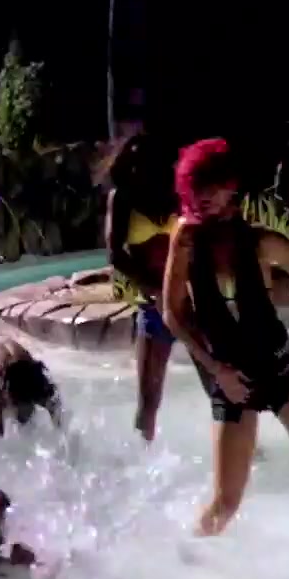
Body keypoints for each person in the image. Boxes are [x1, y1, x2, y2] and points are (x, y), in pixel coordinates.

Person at [161, 138, 289, 537]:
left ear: (230, 188)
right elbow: (172, 313)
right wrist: (216, 369)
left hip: (281, 368)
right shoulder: (185, 239)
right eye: (196, 188)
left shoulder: (262, 242)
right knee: (225, 503)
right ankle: (186, 561)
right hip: (231, 379)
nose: (203, 197)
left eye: (211, 187)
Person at [105, 130, 178, 442]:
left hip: (190, 300)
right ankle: (143, 458)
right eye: (133, 163)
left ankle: (248, 452)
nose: (139, 169)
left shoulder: (177, 190)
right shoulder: (122, 197)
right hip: (153, 302)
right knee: (148, 399)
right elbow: (115, 253)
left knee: (219, 383)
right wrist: (154, 289)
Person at [0, 338, 65, 436]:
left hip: (22, 372)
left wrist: (59, 428)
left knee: (27, 424)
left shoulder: (32, 381)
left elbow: (54, 404)